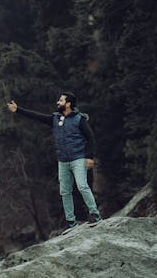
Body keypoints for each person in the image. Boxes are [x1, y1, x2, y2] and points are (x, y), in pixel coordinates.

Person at [7, 92, 101, 228]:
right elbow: (38, 117)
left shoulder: (79, 119)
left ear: (68, 104)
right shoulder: (55, 118)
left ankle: (95, 214)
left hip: (78, 159)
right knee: (64, 191)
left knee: (82, 186)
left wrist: (90, 157)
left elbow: (90, 138)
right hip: (62, 161)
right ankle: (71, 222)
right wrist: (18, 110)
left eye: (61, 100)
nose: (58, 102)